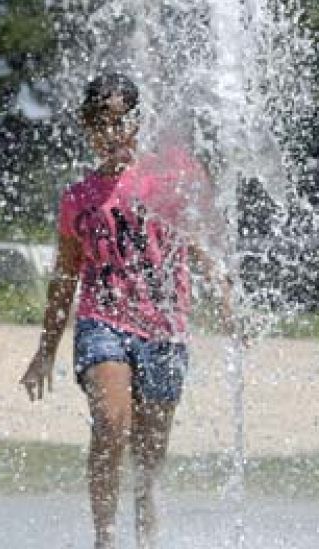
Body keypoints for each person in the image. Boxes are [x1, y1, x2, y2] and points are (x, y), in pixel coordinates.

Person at [20, 72, 235, 549]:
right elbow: (64, 278)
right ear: (86, 126)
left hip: (164, 329)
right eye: (101, 124)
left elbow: (198, 242)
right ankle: (105, 538)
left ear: (138, 122)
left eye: (122, 122)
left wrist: (221, 286)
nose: (112, 134)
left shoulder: (169, 177)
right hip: (103, 323)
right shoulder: (79, 197)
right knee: (111, 422)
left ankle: (147, 539)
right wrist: (45, 351)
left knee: (150, 454)